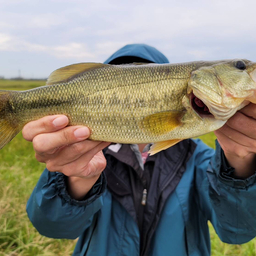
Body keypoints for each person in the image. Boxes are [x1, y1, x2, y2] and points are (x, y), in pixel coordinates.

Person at [25, 44, 256, 256]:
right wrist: (76, 179)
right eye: (240, 66)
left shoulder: (198, 158)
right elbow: (52, 227)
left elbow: (237, 231)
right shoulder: (78, 153)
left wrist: (241, 161)